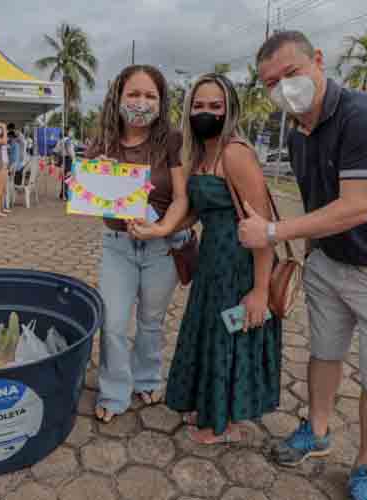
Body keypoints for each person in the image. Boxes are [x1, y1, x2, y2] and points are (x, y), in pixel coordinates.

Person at [243, 31, 367, 500]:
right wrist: (312, 257)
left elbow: (356, 207)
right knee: (324, 354)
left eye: (291, 73)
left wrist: (272, 232)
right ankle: (318, 430)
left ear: (319, 62)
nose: (284, 88)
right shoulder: (298, 134)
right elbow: (318, 201)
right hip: (331, 264)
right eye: (272, 82)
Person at [132, 73, 282, 444]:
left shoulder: (235, 152)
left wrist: (261, 290)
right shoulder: (200, 153)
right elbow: (197, 212)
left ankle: (226, 422)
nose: (206, 112)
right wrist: (158, 228)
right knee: (211, 333)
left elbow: (264, 228)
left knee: (231, 335)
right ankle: (210, 407)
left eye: (215, 106)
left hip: (241, 264)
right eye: (199, 105)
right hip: (212, 262)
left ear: (229, 109)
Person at [85, 65, 190, 423]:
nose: (141, 103)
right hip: (117, 246)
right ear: (119, 97)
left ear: (161, 102)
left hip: (161, 247)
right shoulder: (102, 141)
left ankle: (146, 378)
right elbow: (84, 195)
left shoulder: (171, 140)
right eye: (134, 94)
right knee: (113, 323)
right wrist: (95, 178)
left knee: (150, 321)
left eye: (150, 96)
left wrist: (162, 229)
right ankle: (114, 392)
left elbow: (180, 199)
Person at [58, 129, 76, 200]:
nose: (72, 133)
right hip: (68, 159)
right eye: (71, 132)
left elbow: (59, 151)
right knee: (67, 177)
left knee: (64, 177)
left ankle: (62, 194)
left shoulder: (62, 140)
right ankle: (65, 194)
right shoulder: (67, 140)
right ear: (67, 132)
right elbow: (69, 151)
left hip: (64, 159)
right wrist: (73, 158)